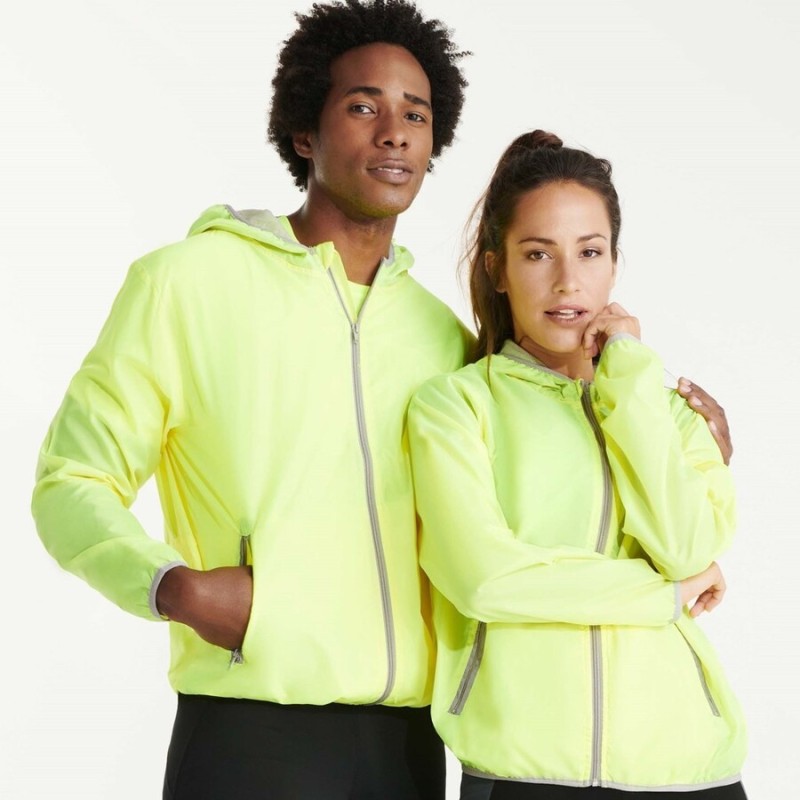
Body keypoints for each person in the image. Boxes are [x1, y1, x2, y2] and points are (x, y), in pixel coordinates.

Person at [30, 0, 733, 796]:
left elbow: (549, 481)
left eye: (416, 115)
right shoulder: (186, 285)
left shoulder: (442, 339)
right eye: (364, 107)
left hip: (411, 746)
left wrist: (679, 430)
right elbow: (70, 483)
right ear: (304, 130)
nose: (394, 132)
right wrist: (169, 586)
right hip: (252, 728)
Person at [406, 130, 747, 798]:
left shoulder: (669, 410)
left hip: (691, 771)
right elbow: (484, 580)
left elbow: (686, 548)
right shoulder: (456, 406)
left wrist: (630, 380)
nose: (567, 281)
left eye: (590, 252)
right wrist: (664, 597)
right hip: (522, 771)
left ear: (614, 264)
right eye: (538, 254)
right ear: (497, 268)